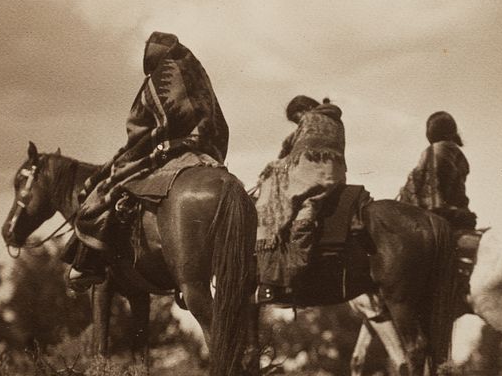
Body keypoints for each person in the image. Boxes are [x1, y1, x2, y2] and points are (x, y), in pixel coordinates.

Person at [65, 31, 229, 282]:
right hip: (209, 150)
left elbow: (140, 123)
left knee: (103, 189)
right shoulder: (198, 73)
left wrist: (131, 150)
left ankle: (89, 264)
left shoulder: (159, 77)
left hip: (169, 149)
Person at [254, 95, 347, 290]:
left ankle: (284, 265)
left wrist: (272, 167)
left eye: (296, 119)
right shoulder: (336, 120)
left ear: (303, 110)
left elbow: (289, 152)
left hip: (312, 171)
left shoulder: (309, 119)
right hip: (336, 173)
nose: (297, 123)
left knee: (271, 193)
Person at [396, 110, 477, 230]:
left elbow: (427, 184)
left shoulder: (435, 150)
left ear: (430, 132)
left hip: (435, 212)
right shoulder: (457, 153)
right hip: (460, 212)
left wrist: (405, 191)